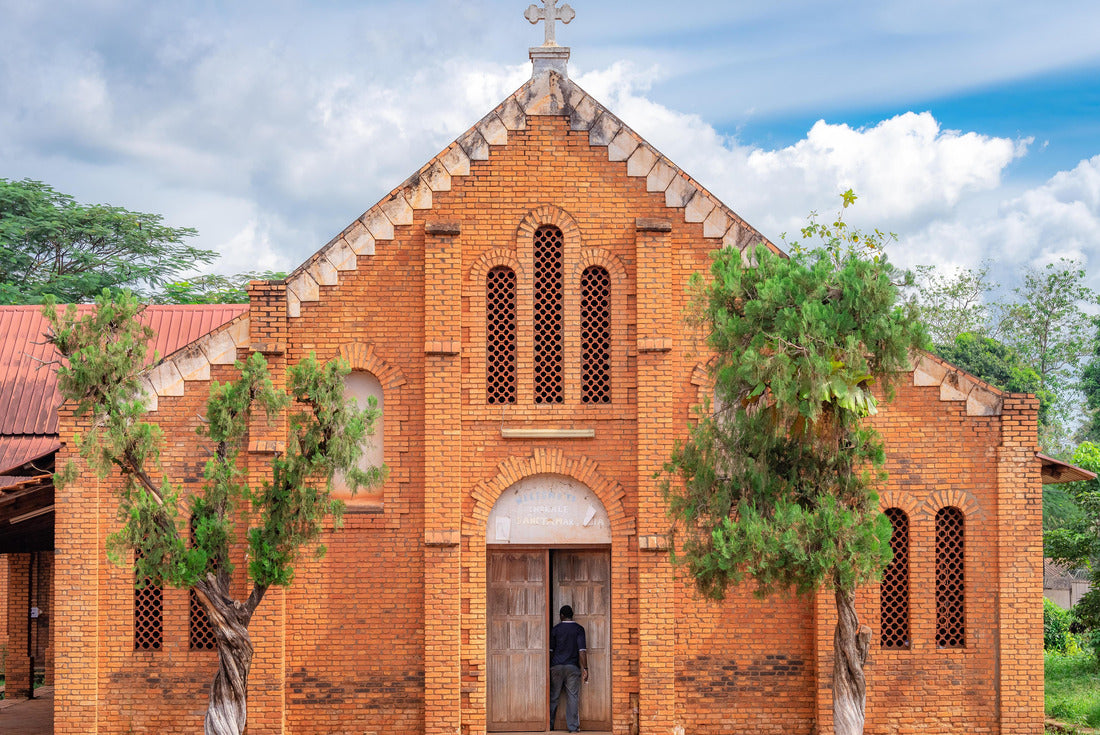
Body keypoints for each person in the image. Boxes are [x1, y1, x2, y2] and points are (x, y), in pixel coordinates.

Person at [549, 604, 588, 733]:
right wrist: (585, 668)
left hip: (557, 667)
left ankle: (549, 725)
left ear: (561, 616)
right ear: (572, 615)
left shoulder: (555, 630)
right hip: (572, 667)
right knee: (572, 697)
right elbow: (582, 651)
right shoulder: (579, 629)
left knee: (554, 696)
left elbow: (551, 651)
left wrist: (548, 667)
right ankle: (572, 728)